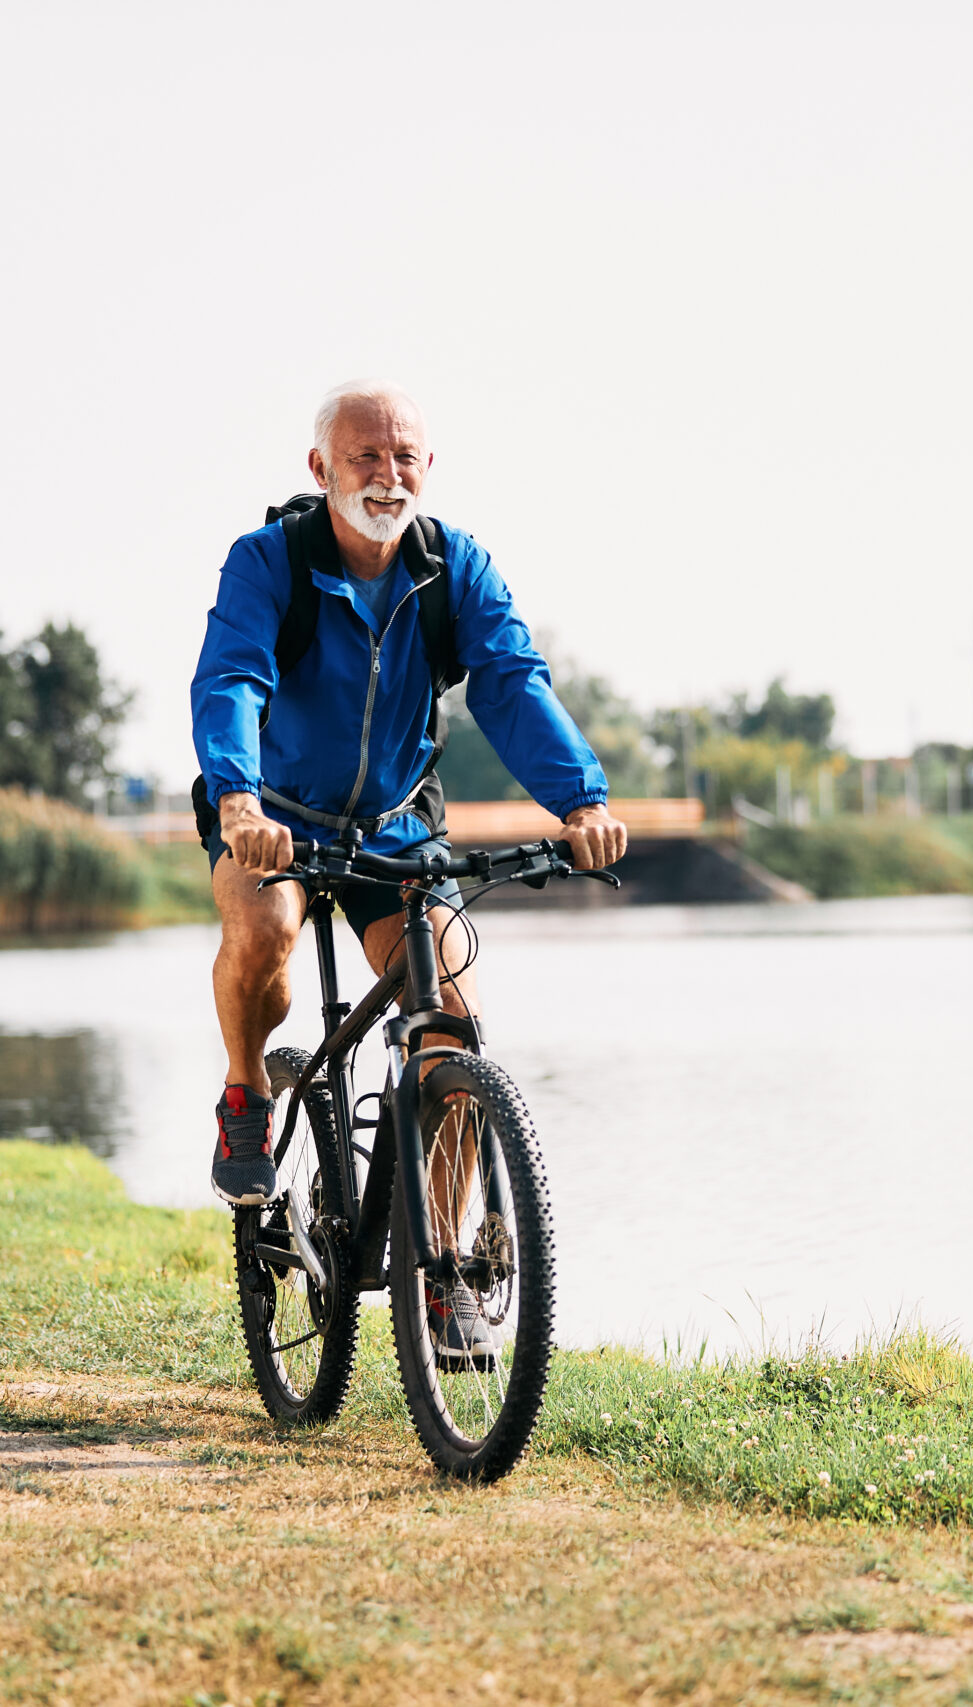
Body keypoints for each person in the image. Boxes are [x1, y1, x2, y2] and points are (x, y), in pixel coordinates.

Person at [190, 381, 628, 1356]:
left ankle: (443, 1275)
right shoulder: (270, 564)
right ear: (321, 470)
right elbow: (231, 680)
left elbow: (513, 686)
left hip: (396, 831)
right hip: (278, 823)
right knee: (261, 932)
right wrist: (237, 799)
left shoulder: (451, 568)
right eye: (365, 458)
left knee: (454, 1032)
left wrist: (581, 801)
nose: (387, 477)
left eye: (404, 459)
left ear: (426, 469)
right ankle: (243, 1098)